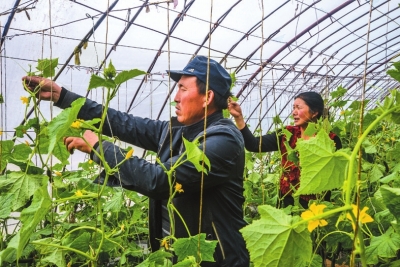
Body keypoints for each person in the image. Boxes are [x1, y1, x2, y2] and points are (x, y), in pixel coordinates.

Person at [23, 56, 250, 267]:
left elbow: (161, 181)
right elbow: (122, 123)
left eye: (182, 88)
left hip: (216, 260)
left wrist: (98, 148)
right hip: (178, 257)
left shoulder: (225, 140)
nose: (176, 97)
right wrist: (62, 96)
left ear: (207, 97)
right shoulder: (175, 130)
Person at [228, 92, 342, 209]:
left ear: (315, 112)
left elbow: (335, 175)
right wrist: (239, 118)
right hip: (286, 201)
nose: (294, 112)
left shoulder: (330, 139)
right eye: (293, 108)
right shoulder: (287, 134)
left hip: (316, 203)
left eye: (299, 108)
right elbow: (254, 145)